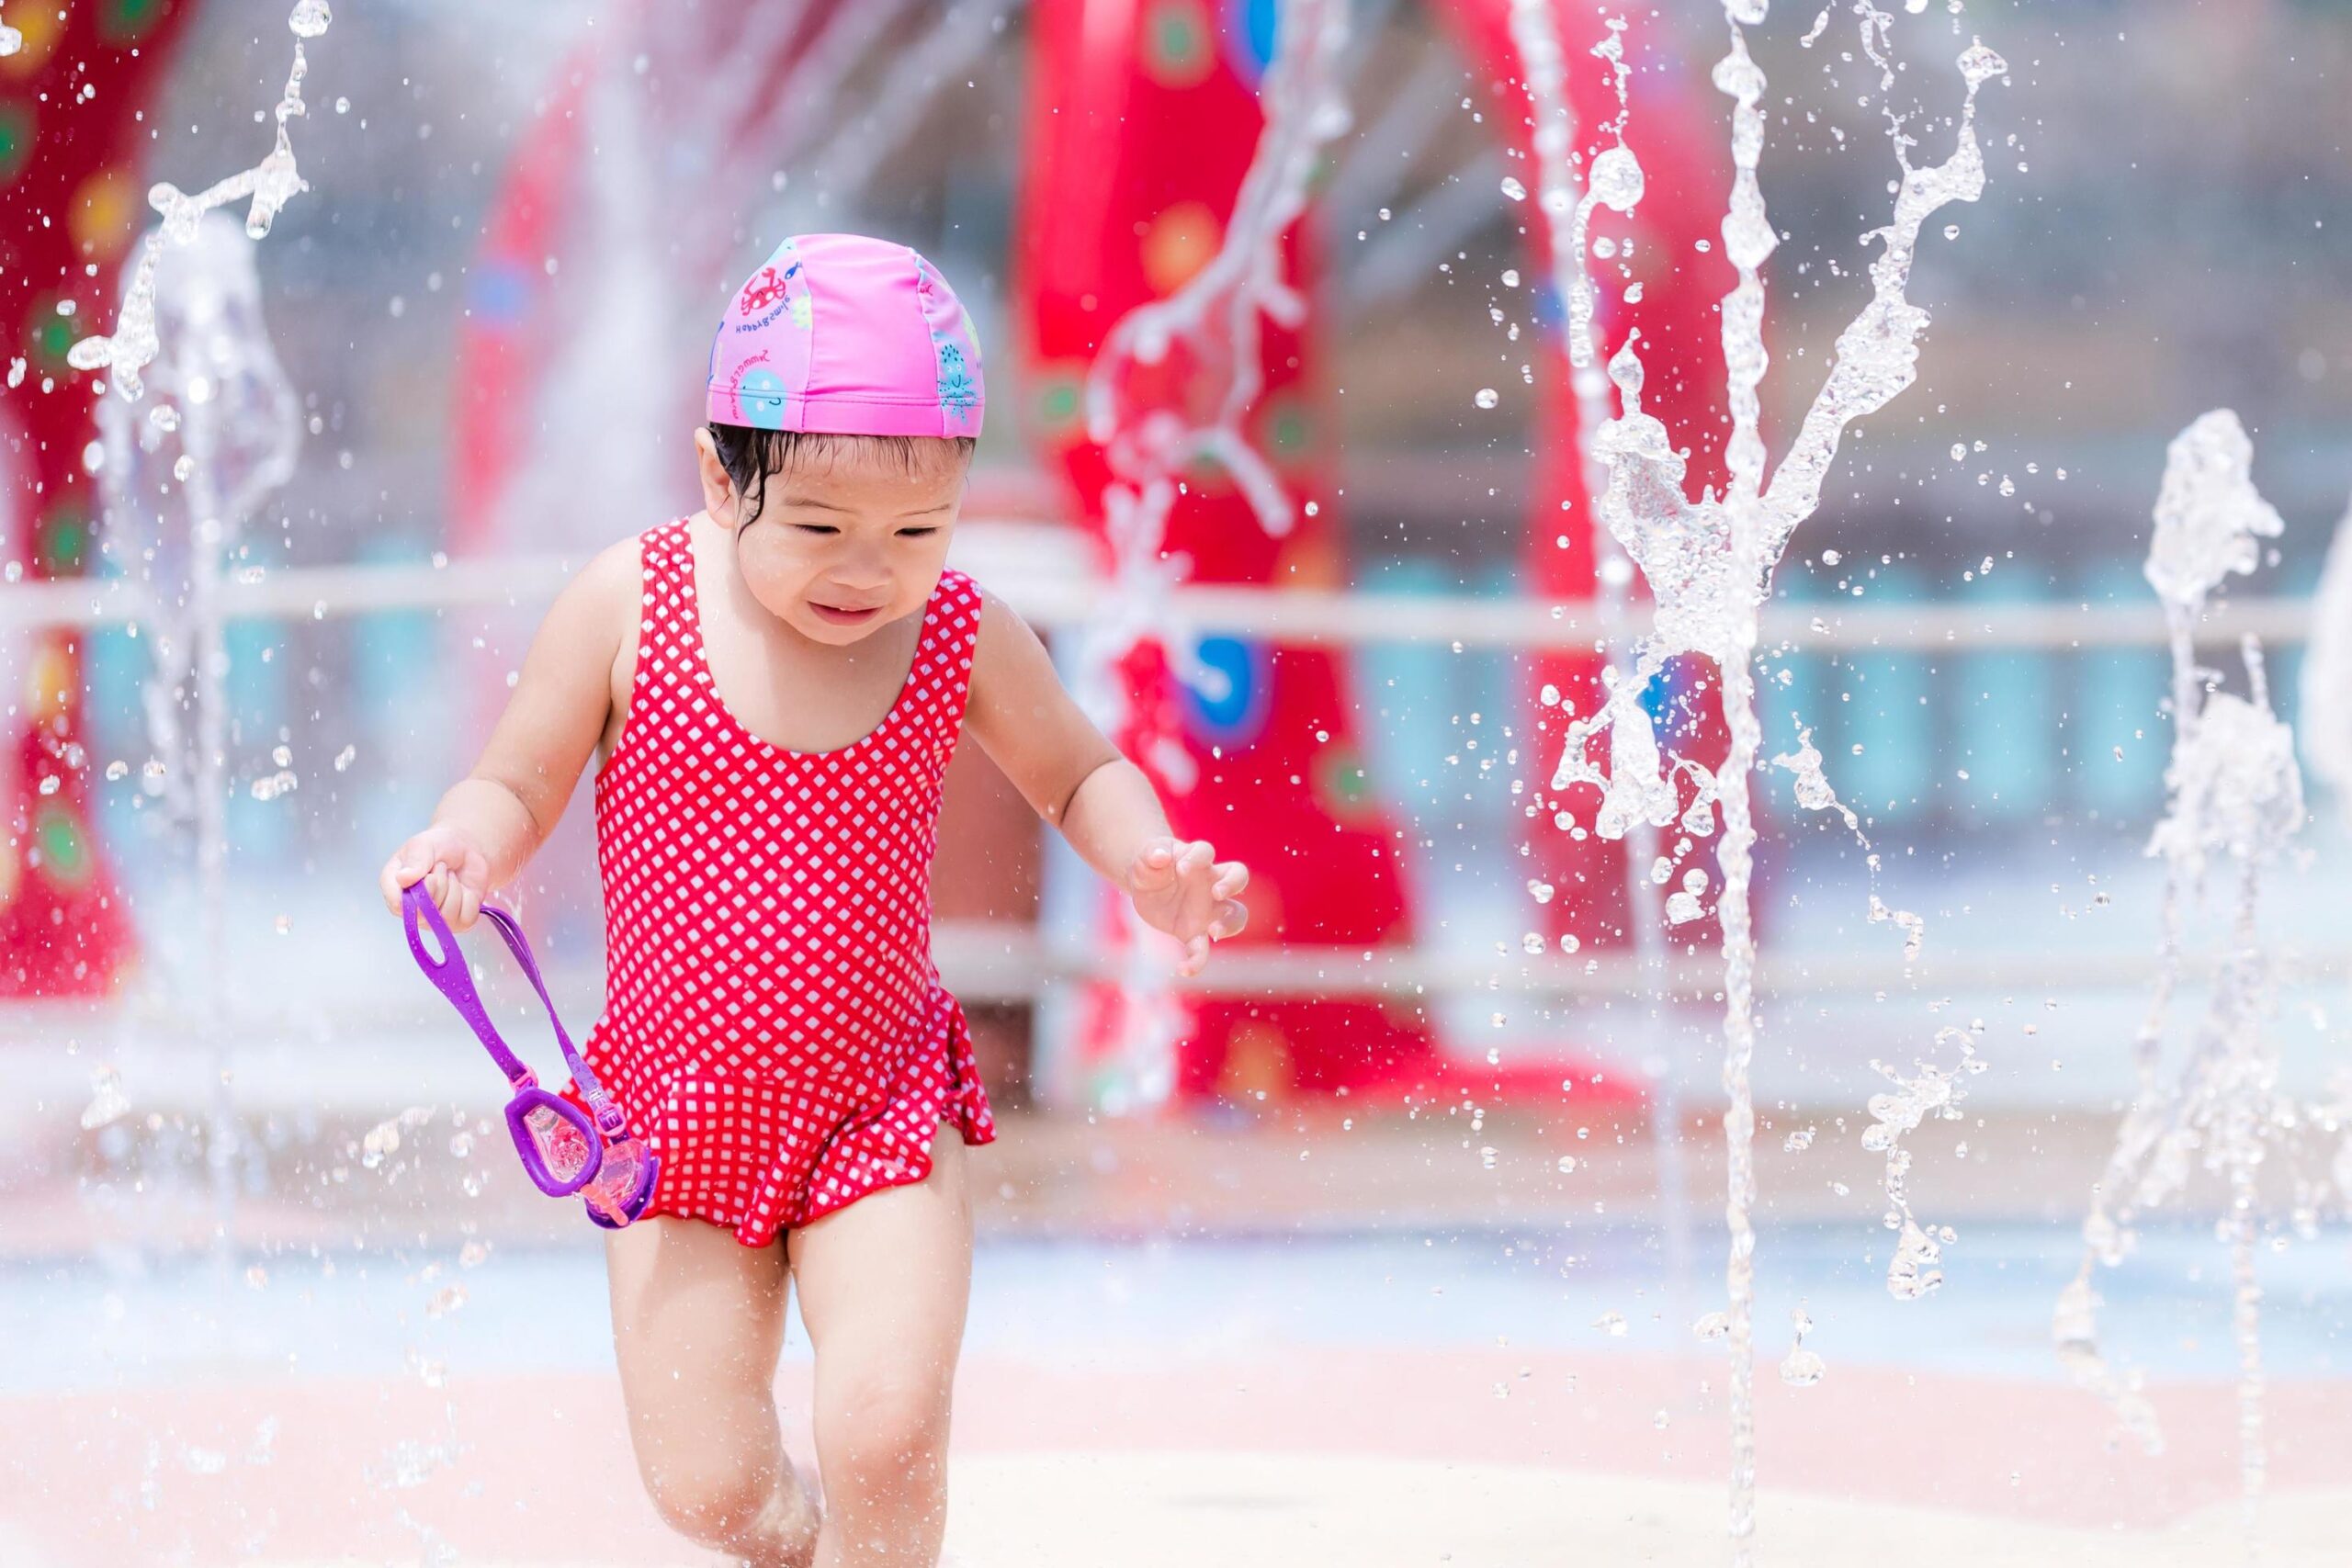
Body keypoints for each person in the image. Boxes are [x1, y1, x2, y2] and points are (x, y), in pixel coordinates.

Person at [377, 232, 1249, 1568]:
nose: (869, 568)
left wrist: (1148, 862)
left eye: (917, 527)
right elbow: (523, 772)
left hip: (877, 1110)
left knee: (888, 1430)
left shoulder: (955, 629)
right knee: (709, 1486)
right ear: (721, 477)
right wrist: (467, 842)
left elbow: (1077, 771)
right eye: (825, 527)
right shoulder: (631, 602)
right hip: (669, 1124)